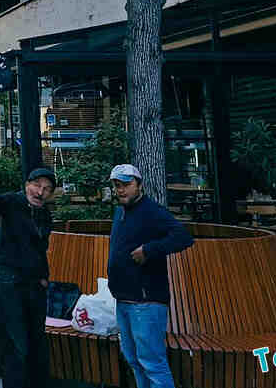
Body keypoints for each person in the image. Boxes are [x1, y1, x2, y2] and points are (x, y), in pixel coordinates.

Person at [107, 164, 194, 388]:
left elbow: (184, 237)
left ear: (139, 185)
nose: (121, 190)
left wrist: (149, 250)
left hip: (146, 301)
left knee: (152, 363)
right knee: (134, 360)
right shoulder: (120, 212)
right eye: (117, 185)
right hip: (124, 299)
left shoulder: (152, 211)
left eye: (127, 184)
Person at [0, 168, 58, 388]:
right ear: (27, 185)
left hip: (35, 285)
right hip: (11, 282)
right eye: (37, 185)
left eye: (47, 189)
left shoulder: (44, 214)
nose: (40, 192)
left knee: (36, 342)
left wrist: (43, 278)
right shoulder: (13, 202)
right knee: (14, 343)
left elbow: (41, 249)